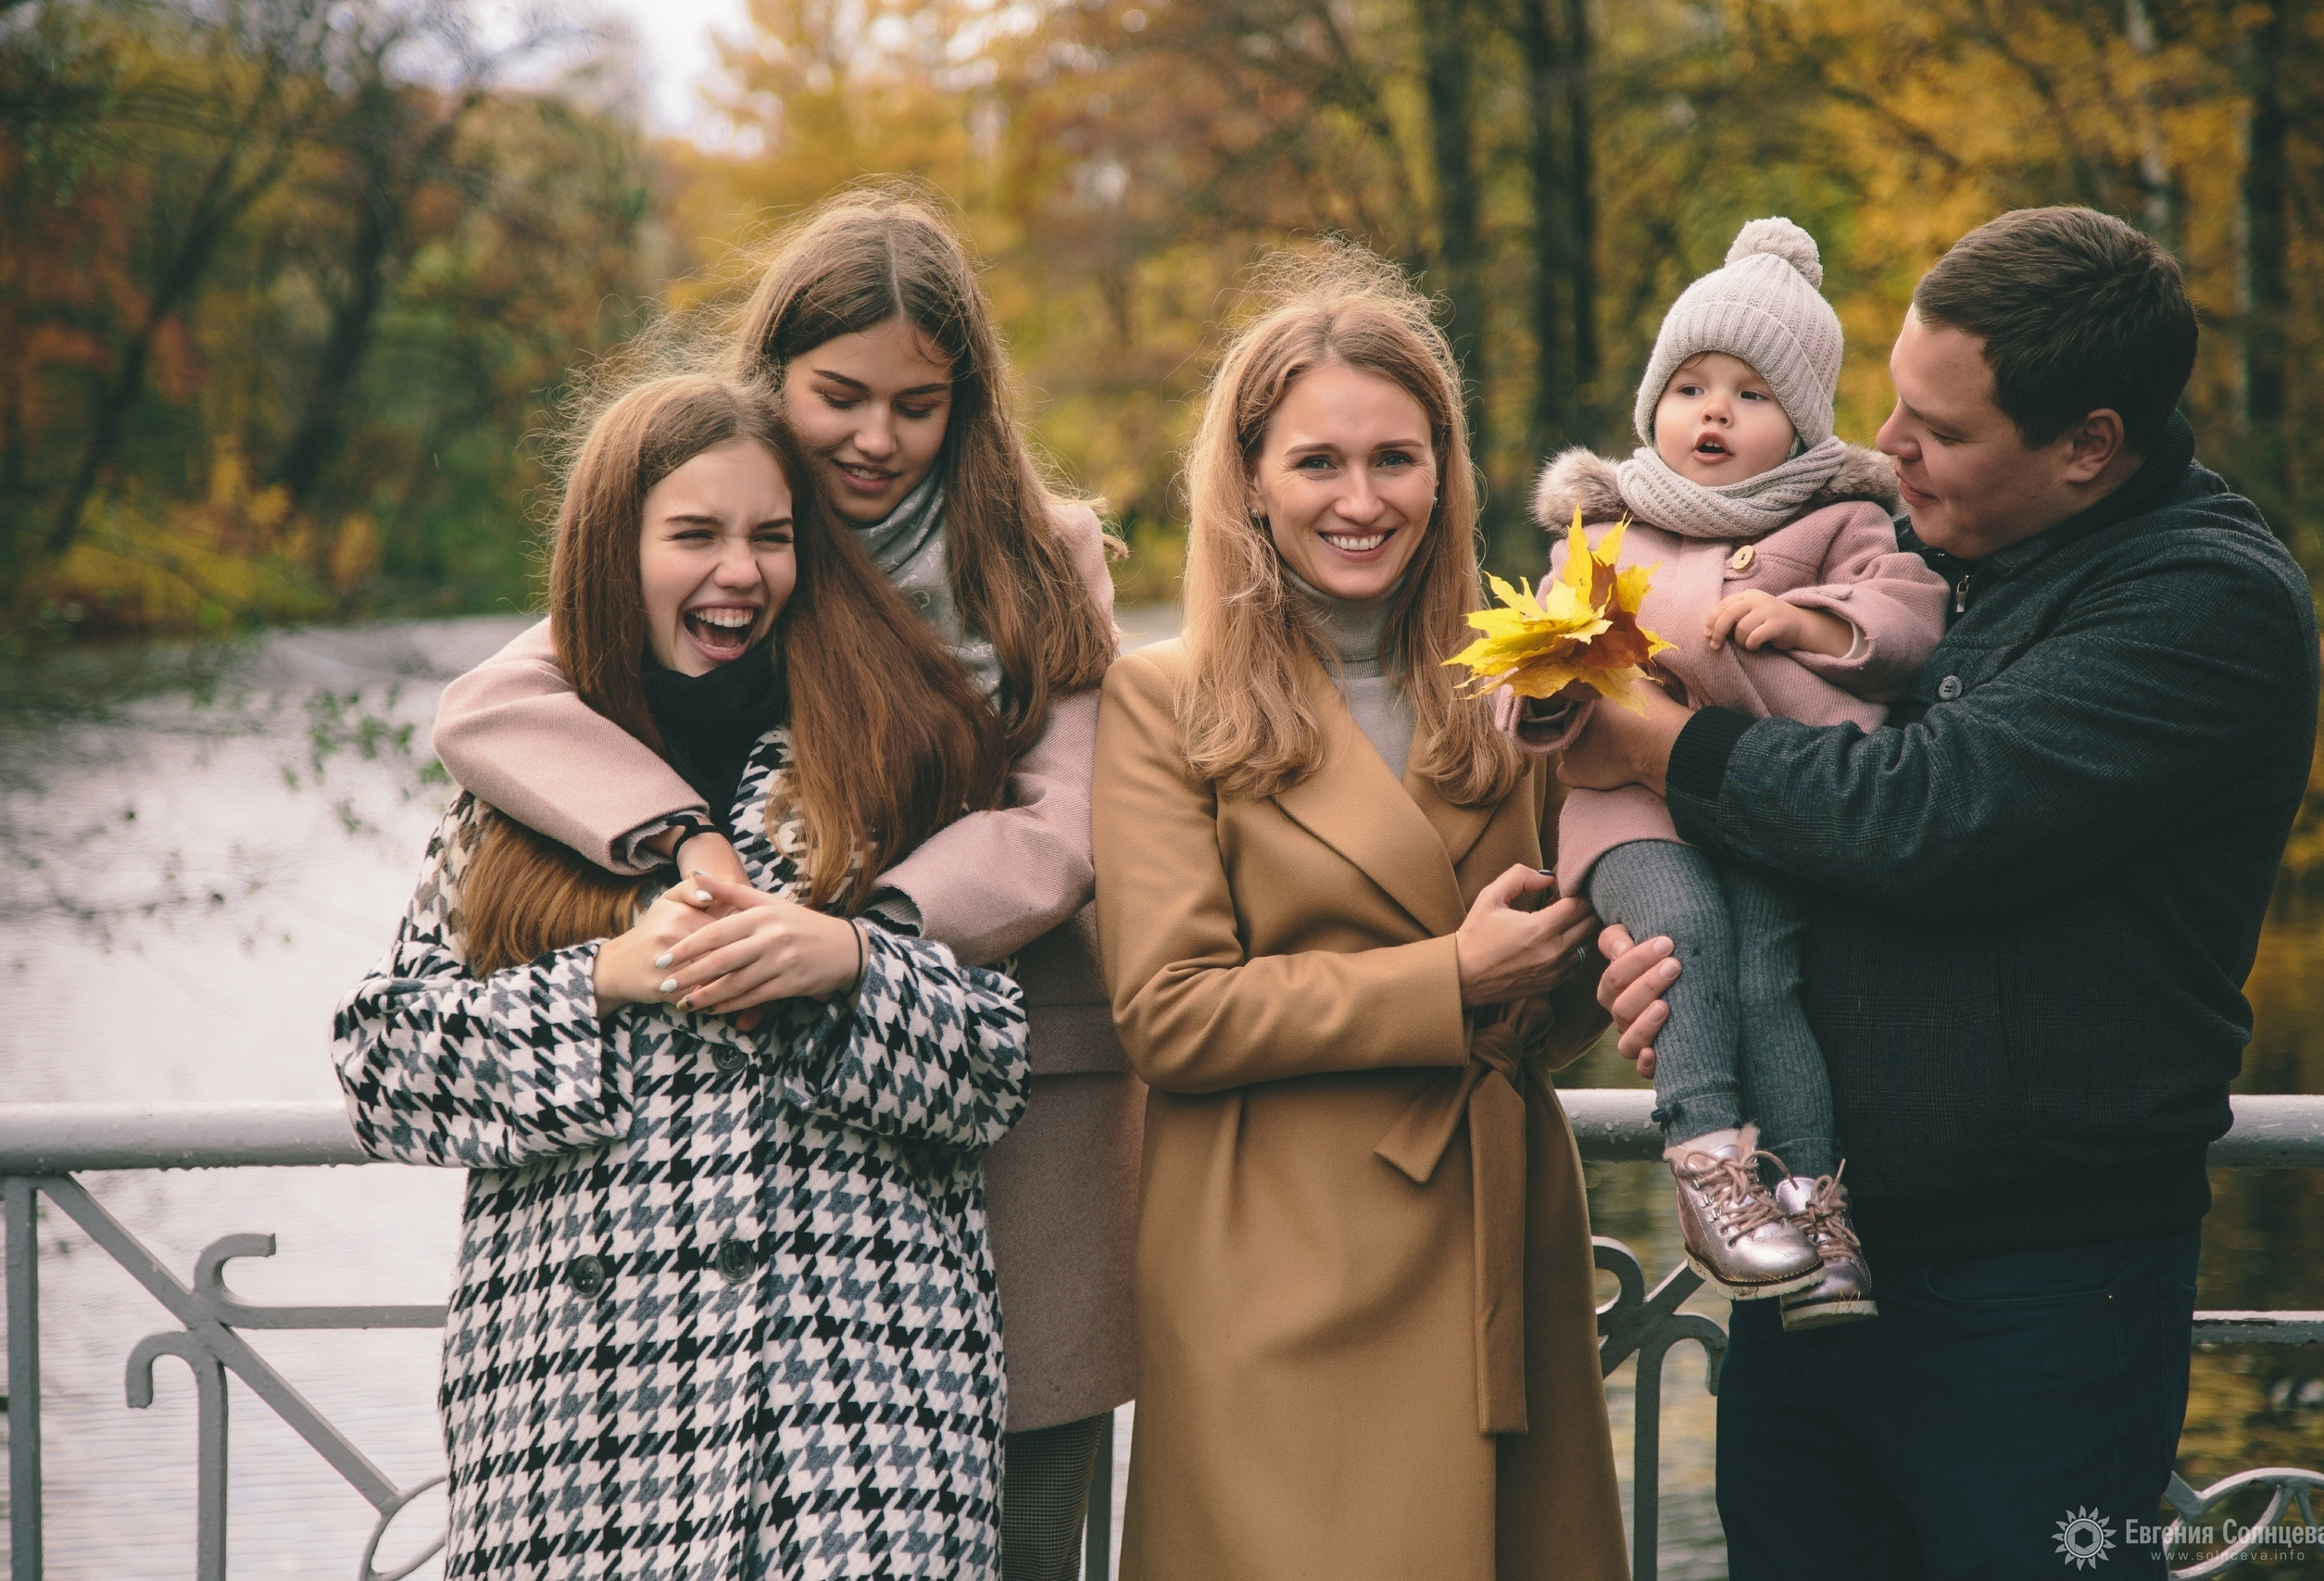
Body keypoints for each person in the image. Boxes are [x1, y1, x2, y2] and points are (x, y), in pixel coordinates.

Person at [1576, 207, 2318, 1578]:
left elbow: (1931, 814)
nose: (1889, 448)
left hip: (2037, 1291)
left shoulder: (2201, 602)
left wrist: (1662, 745)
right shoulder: (1930, 546)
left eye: (1942, 429)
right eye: (1892, 407)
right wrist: (1676, 961)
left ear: (2088, 443)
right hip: (1815, 1263)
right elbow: (1792, 829)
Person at [427, 190, 1135, 1580]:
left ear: (967, 399)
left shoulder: (1037, 552)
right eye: (840, 395)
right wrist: (683, 844)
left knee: (1020, 1507)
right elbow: (494, 705)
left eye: (918, 403)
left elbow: (1064, 821)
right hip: (749, 1164)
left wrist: (861, 932)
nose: (876, 438)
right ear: (772, 384)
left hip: (1002, 1071)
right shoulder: (733, 530)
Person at [333, 373, 1029, 1576]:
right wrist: (606, 977)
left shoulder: (890, 753)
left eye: (770, 536)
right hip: (575, 1426)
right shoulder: (518, 790)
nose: (741, 571)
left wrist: (847, 964)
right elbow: (387, 1068)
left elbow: (991, 1067)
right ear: (618, 550)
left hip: (861, 1424)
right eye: (696, 534)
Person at [1091, 245, 1629, 1581]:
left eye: (1396, 457)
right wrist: (1448, 974)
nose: (1360, 497)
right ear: (1252, 484)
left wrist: (1597, 958)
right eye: (1317, 462)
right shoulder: (1164, 699)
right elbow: (1169, 1013)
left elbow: (1554, 1000)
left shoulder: (1521, 676)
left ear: (1445, 472)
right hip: (1271, 1249)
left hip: (1494, 1224)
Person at [1506, 218, 1947, 1327]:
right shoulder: (1601, 532)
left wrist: (1806, 617)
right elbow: (1533, 671)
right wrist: (1555, 694)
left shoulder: (1842, 520)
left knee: (1767, 980)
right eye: (1690, 385)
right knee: (1684, 940)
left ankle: (1807, 1203)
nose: (1712, 411)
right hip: (1631, 817)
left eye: (1750, 395)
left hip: (1766, 806)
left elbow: (1905, 621)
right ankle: (1707, 1166)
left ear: (1800, 423)